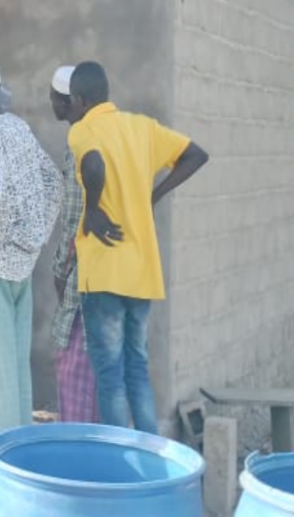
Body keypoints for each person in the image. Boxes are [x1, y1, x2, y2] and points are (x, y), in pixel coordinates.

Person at [69, 61, 208, 435]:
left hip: (104, 271)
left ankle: (119, 459)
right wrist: (153, 195)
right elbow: (196, 155)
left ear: (79, 100)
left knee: (110, 376)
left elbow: (93, 165)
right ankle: (148, 454)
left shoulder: (83, 130)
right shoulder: (142, 128)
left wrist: (93, 209)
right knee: (137, 370)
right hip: (142, 270)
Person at [0, 55, 62, 433]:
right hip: (22, 262)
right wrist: (35, 236)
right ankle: (21, 449)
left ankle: (2, 460)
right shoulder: (19, 127)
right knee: (17, 364)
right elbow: (53, 182)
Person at [47, 65, 97, 424]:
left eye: (54, 97)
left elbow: (74, 219)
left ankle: (76, 443)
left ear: (68, 102)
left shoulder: (78, 145)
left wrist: (60, 269)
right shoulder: (101, 137)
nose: (50, 102)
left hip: (83, 277)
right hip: (105, 276)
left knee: (74, 369)